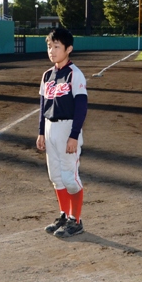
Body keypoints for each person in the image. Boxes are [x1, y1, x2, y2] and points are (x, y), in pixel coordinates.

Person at [37, 28, 87, 238]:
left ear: (68, 49)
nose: (52, 51)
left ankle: (76, 220)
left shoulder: (74, 74)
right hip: (50, 128)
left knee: (69, 177)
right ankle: (64, 215)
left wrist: (74, 135)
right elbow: (43, 105)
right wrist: (41, 132)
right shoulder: (47, 75)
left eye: (57, 46)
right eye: (50, 46)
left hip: (67, 128)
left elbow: (81, 107)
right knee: (56, 177)